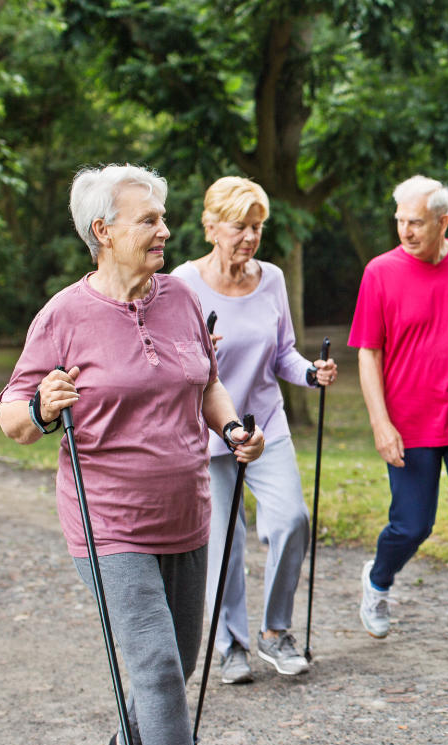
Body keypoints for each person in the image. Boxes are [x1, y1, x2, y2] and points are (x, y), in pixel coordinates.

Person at [0, 164, 265, 745]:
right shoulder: (64, 315)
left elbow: (207, 385)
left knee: (182, 660)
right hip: (110, 520)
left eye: (164, 220)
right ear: (103, 231)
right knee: (157, 664)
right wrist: (43, 407)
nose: (165, 232)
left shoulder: (180, 298)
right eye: (149, 221)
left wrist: (232, 433)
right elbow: (12, 414)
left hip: (186, 509)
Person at [171, 177, 337, 684]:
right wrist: (196, 352)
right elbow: (167, 359)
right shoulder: (183, 282)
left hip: (265, 423)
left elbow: (284, 351)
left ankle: (274, 632)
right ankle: (232, 645)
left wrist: (310, 371)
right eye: (240, 226)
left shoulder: (272, 280)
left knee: (292, 520)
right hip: (208, 432)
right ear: (211, 226)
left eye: (257, 227)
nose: (249, 237)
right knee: (224, 545)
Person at [348, 174, 448, 671]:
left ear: (443, 221)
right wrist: (380, 422)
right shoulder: (380, 272)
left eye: (415, 222)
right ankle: (378, 580)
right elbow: (368, 354)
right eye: (399, 220)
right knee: (412, 524)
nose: (405, 230)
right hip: (410, 422)